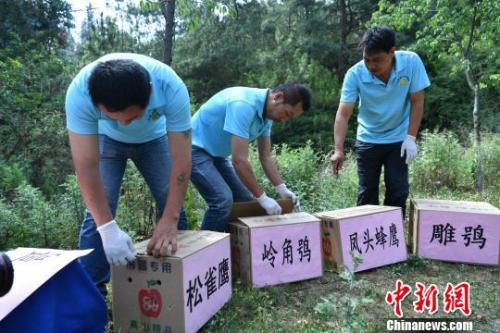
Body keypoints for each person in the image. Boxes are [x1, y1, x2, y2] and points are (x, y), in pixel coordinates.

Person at [65, 53, 192, 295]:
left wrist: (170, 220)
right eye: (114, 117)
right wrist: (107, 229)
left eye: (132, 117)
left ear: (150, 91)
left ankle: (180, 283)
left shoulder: (171, 87)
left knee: (171, 204)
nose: (125, 124)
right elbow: (86, 167)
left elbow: (182, 159)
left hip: (154, 138)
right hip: (105, 139)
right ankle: (93, 297)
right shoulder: (80, 94)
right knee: (99, 215)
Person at [331, 26, 430, 216]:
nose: (371, 66)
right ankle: (365, 237)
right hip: (368, 139)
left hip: (398, 140)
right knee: (367, 193)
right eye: (367, 60)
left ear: (392, 52)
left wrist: (410, 138)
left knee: (398, 192)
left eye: (377, 60)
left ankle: (394, 239)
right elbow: (343, 113)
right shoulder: (355, 74)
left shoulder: (411, 62)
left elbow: (417, 101)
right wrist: (338, 149)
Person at [190, 83, 312, 231]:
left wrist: (282, 188)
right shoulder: (243, 105)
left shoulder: (266, 116)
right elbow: (239, 161)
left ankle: (235, 247)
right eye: (287, 114)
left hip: (217, 155)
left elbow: (265, 156)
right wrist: (262, 197)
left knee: (244, 200)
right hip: (192, 149)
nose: (284, 120)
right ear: (278, 97)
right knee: (222, 200)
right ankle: (207, 252)